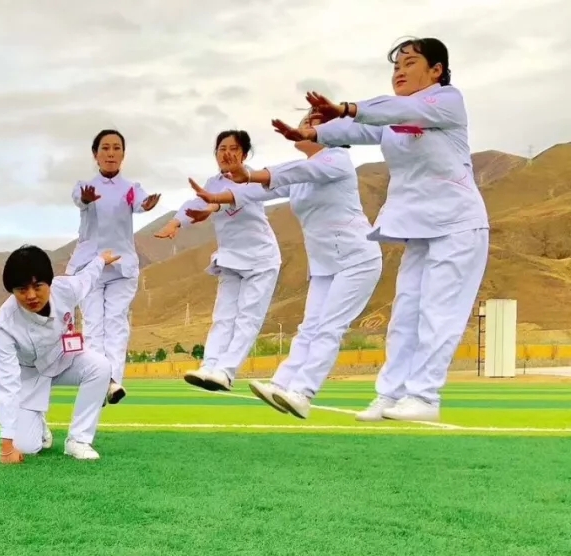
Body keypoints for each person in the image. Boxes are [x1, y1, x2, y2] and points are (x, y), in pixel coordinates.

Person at [275, 37, 488, 422]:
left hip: (458, 223)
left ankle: (424, 397)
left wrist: (346, 107)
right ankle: (390, 395)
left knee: (438, 312)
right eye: (395, 66)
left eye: (409, 63)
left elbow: (392, 110)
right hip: (420, 228)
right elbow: (360, 130)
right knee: (405, 314)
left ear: (436, 70)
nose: (399, 72)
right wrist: (314, 135)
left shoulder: (447, 101)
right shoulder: (395, 118)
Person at [226, 111, 384, 418]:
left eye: (315, 121)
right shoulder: (301, 176)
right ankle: (281, 384)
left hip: (357, 259)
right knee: (309, 328)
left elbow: (291, 172)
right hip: (325, 264)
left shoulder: (336, 160)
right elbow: (261, 189)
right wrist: (215, 197)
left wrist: (250, 173)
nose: (305, 125)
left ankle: (302, 393)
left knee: (329, 328)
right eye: (305, 121)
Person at [154, 130, 282, 392]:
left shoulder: (253, 180)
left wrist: (211, 207)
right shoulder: (213, 183)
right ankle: (209, 367)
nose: (227, 154)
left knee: (247, 318)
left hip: (261, 259)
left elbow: (226, 200)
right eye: (222, 148)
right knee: (223, 317)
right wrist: (175, 222)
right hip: (230, 259)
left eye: (234, 149)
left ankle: (226, 371)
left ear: (244, 155)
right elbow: (196, 202)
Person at [0, 245, 120, 463]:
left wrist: (101, 260)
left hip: (64, 357)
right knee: (26, 447)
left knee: (100, 367)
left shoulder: (65, 289)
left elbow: (87, 278)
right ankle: (38, 425)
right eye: (22, 290)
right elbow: (6, 382)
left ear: (49, 282)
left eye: (37, 286)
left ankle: (78, 440)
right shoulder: (5, 323)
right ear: (12, 291)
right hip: (30, 374)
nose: (31, 296)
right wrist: (6, 447)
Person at [66, 129, 160, 404]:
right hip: (90, 266)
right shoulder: (84, 186)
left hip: (121, 266)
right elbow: (79, 200)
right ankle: (99, 380)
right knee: (94, 326)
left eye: (116, 148)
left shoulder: (131, 188)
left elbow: (140, 202)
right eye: (105, 148)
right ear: (95, 154)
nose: (111, 153)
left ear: (123, 154)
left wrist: (146, 204)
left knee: (117, 324)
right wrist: (86, 199)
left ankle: (113, 382)